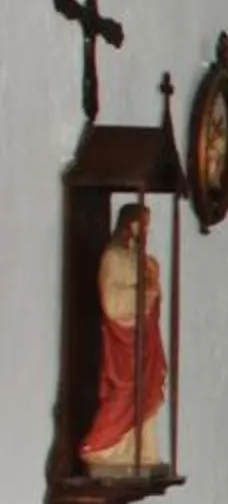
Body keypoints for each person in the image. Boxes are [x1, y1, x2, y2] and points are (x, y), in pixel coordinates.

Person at [79, 202, 168, 474]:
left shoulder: (137, 259)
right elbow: (112, 301)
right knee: (124, 390)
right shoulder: (113, 257)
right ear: (129, 225)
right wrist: (143, 294)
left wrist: (152, 287)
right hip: (122, 336)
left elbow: (152, 294)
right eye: (142, 225)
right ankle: (101, 447)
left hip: (144, 337)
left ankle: (139, 452)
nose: (146, 231)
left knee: (145, 390)